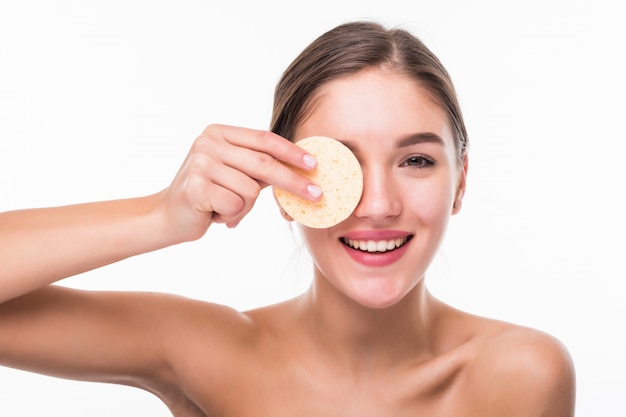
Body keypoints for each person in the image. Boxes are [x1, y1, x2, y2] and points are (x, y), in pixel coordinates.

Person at [0, 21, 575, 416]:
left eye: (417, 160)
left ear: (461, 183)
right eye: (340, 163)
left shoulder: (521, 375)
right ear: (283, 188)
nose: (377, 205)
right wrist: (162, 215)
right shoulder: (205, 354)